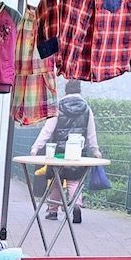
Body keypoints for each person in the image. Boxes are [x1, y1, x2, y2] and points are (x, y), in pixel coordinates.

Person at [30, 79, 102, 223]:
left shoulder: (58, 107)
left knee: (56, 181)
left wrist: (36, 147)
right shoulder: (87, 109)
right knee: (74, 181)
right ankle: (76, 206)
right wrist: (95, 151)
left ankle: (52, 211)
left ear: (66, 91)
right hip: (77, 154)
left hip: (59, 153)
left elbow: (47, 130)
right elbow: (91, 134)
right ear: (79, 90)